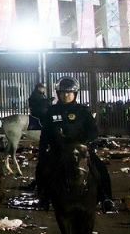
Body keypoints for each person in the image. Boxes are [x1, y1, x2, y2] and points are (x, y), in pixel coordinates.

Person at [35, 76, 115, 213]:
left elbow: (93, 131)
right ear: (58, 94)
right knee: (42, 168)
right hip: (58, 151)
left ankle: (106, 198)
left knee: (100, 167)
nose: (66, 95)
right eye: (62, 92)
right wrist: (42, 152)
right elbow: (45, 134)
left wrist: (86, 143)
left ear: (75, 94)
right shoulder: (52, 111)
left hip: (80, 150)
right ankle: (43, 197)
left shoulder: (83, 111)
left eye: (69, 92)